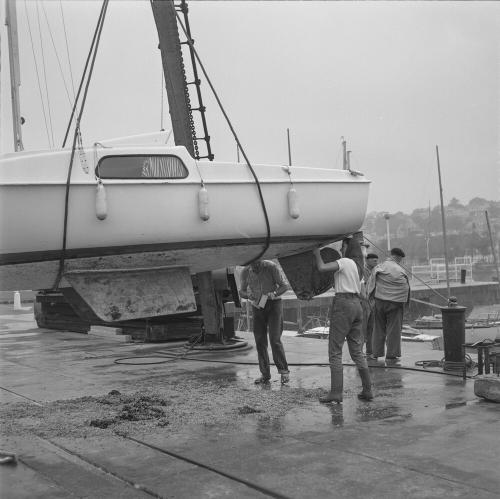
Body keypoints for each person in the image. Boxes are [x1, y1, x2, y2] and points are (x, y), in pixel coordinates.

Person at [313, 239, 373, 403]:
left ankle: (336, 393)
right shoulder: (357, 265)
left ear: (349, 248)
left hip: (343, 304)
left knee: (335, 350)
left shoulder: (345, 261)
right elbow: (361, 292)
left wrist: (316, 251)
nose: (341, 248)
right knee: (357, 351)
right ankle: (367, 390)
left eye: (343, 246)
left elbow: (322, 267)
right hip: (357, 305)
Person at [239, 260, 290, 384]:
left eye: (258, 264)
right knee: (260, 340)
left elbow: (284, 286)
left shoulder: (271, 267)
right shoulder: (245, 271)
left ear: (261, 261)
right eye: (252, 265)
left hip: (274, 304)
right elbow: (241, 291)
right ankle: (265, 374)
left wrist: (274, 293)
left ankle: (284, 371)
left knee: (274, 339)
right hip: (257, 306)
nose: (255, 267)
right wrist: (248, 295)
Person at [367, 247, 410, 361]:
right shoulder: (400, 270)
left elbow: (371, 284)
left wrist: (371, 299)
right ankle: (391, 354)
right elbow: (405, 288)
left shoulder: (379, 266)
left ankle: (376, 353)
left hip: (380, 301)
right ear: (399, 258)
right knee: (393, 329)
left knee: (378, 327)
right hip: (396, 303)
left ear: (390, 255)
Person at [361, 253, 379, 356]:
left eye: (377, 261)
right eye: (374, 261)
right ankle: (359, 351)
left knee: (372, 327)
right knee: (363, 327)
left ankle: (370, 350)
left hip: (373, 302)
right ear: (367, 260)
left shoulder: (376, 271)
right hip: (364, 301)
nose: (376, 263)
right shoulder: (363, 271)